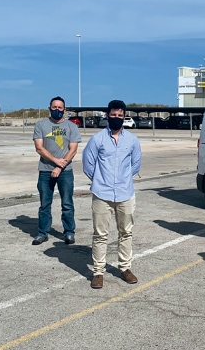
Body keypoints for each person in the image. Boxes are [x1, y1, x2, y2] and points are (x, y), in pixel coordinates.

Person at [82, 100, 142, 289]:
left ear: (124, 116)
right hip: (102, 193)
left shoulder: (132, 140)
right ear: (107, 116)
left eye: (120, 115)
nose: (117, 118)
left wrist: (123, 180)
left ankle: (125, 268)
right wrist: (100, 180)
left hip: (125, 193)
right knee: (100, 234)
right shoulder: (97, 139)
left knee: (126, 232)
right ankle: (98, 272)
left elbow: (136, 164)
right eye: (113, 115)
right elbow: (88, 163)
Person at [32, 96, 81, 245]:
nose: (57, 110)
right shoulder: (41, 125)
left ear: (64, 110)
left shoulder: (72, 127)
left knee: (67, 203)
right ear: (49, 108)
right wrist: (55, 162)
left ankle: (69, 232)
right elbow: (39, 148)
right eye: (54, 107)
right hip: (45, 170)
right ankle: (43, 233)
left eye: (60, 108)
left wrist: (60, 166)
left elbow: (73, 150)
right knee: (45, 204)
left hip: (65, 171)